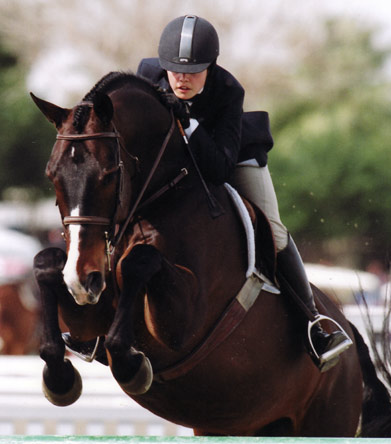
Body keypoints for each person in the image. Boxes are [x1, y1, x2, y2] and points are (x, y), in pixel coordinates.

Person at [64, 15, 352, 371]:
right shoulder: (146, 77)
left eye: (193, 71)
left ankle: (313, 323)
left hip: (231, 155)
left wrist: (188, 123)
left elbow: (218, 169)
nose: (182, 80)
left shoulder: (228, 92)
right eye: (175, 71)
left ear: (210, 68)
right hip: (176, 165)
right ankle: (95, 323)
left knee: (274, 232)